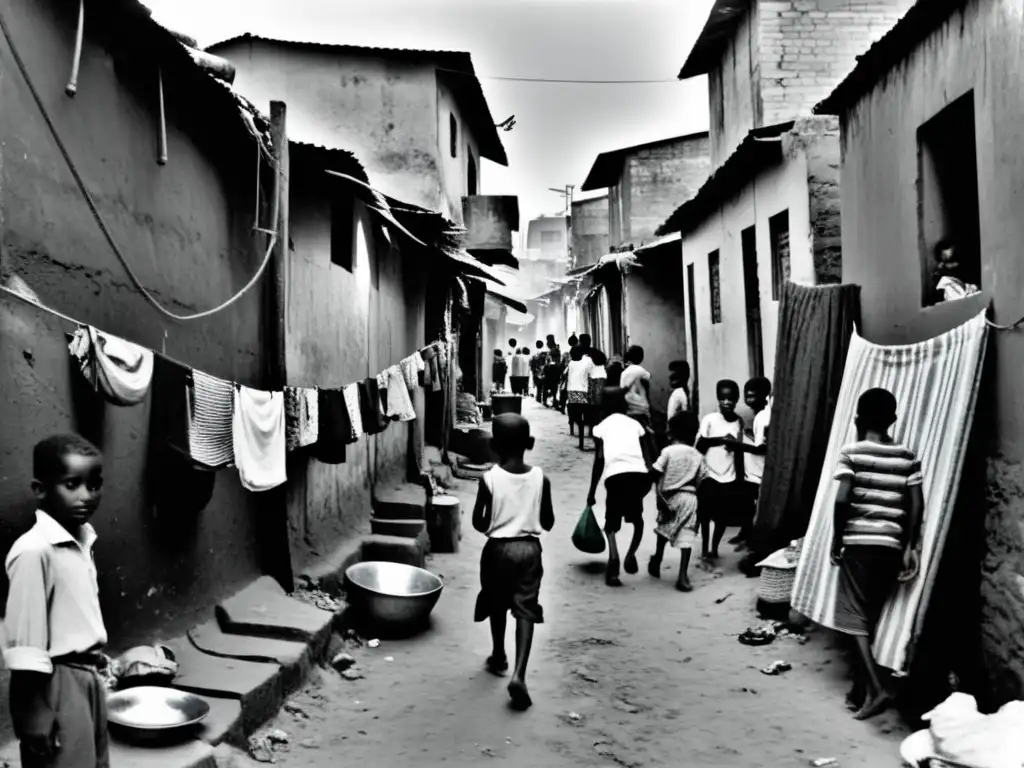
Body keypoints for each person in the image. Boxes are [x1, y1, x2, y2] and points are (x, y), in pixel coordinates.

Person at [5, 434, 109, 768]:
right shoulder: (35, 551)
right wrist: (32, 711)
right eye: (72, 484)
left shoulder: (81, 540)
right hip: (53, 684)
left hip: (86, 677)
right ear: (40, 488)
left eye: (94, 485)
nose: (86, 496)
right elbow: (25, 642)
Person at [831, 388, 923, 721]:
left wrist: (836, 540)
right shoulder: (907, 456)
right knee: (866, 619)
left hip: (859, 544)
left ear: (857, 418)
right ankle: (858, 691)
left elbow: (842, 500)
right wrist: (909, 545)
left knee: (850, 618)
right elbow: (916, 505)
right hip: (891, 548)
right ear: (893, 419)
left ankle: (877, 688)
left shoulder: (852, 452)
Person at [472, 414, 555, 711]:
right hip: (529, 551)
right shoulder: (540, 478)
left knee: (497, 602)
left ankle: (498, 655)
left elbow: (479, 522)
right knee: (525, 608)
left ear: (493, 446)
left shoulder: (488, 479)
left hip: (497, 550)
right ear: (529, 444)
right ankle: (519, 673)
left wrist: (497, 521)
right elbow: (547, 521)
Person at [587, 387, 654, 587]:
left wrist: (591, 492)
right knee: (637, 520)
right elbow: (646, 455)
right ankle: (631, 554)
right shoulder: (635, 425)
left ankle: (614, 559)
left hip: (615, 478)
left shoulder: (601, 427)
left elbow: (599, 461)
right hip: (640, 477)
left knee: (611, 525)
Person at [649, 412, 706, 592]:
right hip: (690, 498)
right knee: (687, 536)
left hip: (669, 497)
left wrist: (658, 495)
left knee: (663, 530)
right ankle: (682, 575)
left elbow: (655, 472)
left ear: (670, 433)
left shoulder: (667, 452)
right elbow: (703, 480)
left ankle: (658, 557)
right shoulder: (698, 455)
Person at [696, 379, 745, 562]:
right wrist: (723, 440)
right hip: (710, 473)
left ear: (736, 399)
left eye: (731, 398)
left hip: (729, 474)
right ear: (718, 399)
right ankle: (703, 548)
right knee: (705, 515)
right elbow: (701, 445)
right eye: (723, 398)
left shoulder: (738, 422)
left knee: (722, 517)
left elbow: (740, 448)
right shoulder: (709, 420)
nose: (727, 402)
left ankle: (714, 549)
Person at [729, 376, 772, 549]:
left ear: (765, 395)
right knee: (748, 503)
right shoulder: (764, 414)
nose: (749, 400)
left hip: (758, 470)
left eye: (753, 396)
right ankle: (746, 534)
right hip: (755, 469)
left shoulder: (762, 417)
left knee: (750, 503)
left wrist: (738, 445)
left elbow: (761, 448)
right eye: (747, 396)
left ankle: (750, 538)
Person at [565, 346, 594, 448]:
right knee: (583, 416)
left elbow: (566, 374)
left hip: (572, 391)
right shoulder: (588, 360)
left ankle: (581, 441)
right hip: (583, 391)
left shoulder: (571, 363)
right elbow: (591, 374)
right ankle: (582, 440)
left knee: (575, 417)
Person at [619, 346, 651, 427]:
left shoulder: (624, 373)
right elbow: (646, 392)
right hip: (641, 409)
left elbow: (622, 391)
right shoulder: (644, 373)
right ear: (641, 357)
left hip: (628, 409)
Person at [543, 337, 562, 408]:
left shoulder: (554, 350)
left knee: (549, 387)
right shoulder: (554, 349)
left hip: (552, 371)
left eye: (547, 342)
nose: (546, 344)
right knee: (553, 387)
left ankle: (550, 401)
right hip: (553, 371)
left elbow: (554, 361)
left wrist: (549, 363)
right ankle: (553, 401)